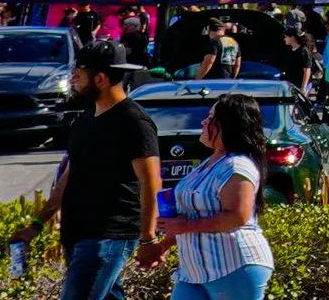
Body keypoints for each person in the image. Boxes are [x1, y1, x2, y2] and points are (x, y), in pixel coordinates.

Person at [30, 41, 161, 300]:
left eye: (77, 77)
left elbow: (151, 182)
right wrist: (38, 222)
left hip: (108, 235)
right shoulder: (87, 117)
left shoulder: (133, 122)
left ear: (100, 79)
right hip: (78, 233)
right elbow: (70, 174)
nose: (72, 83)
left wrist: (148, 238)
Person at [153, 92, 275, 300]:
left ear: (227, 126)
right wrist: (165, 243)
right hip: (195, 272)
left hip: (234, 267)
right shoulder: (210, 162)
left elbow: (238, 216)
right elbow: (191, 215)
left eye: (210, 119)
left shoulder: (237, 166)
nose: (203, 122)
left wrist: (184, 227)